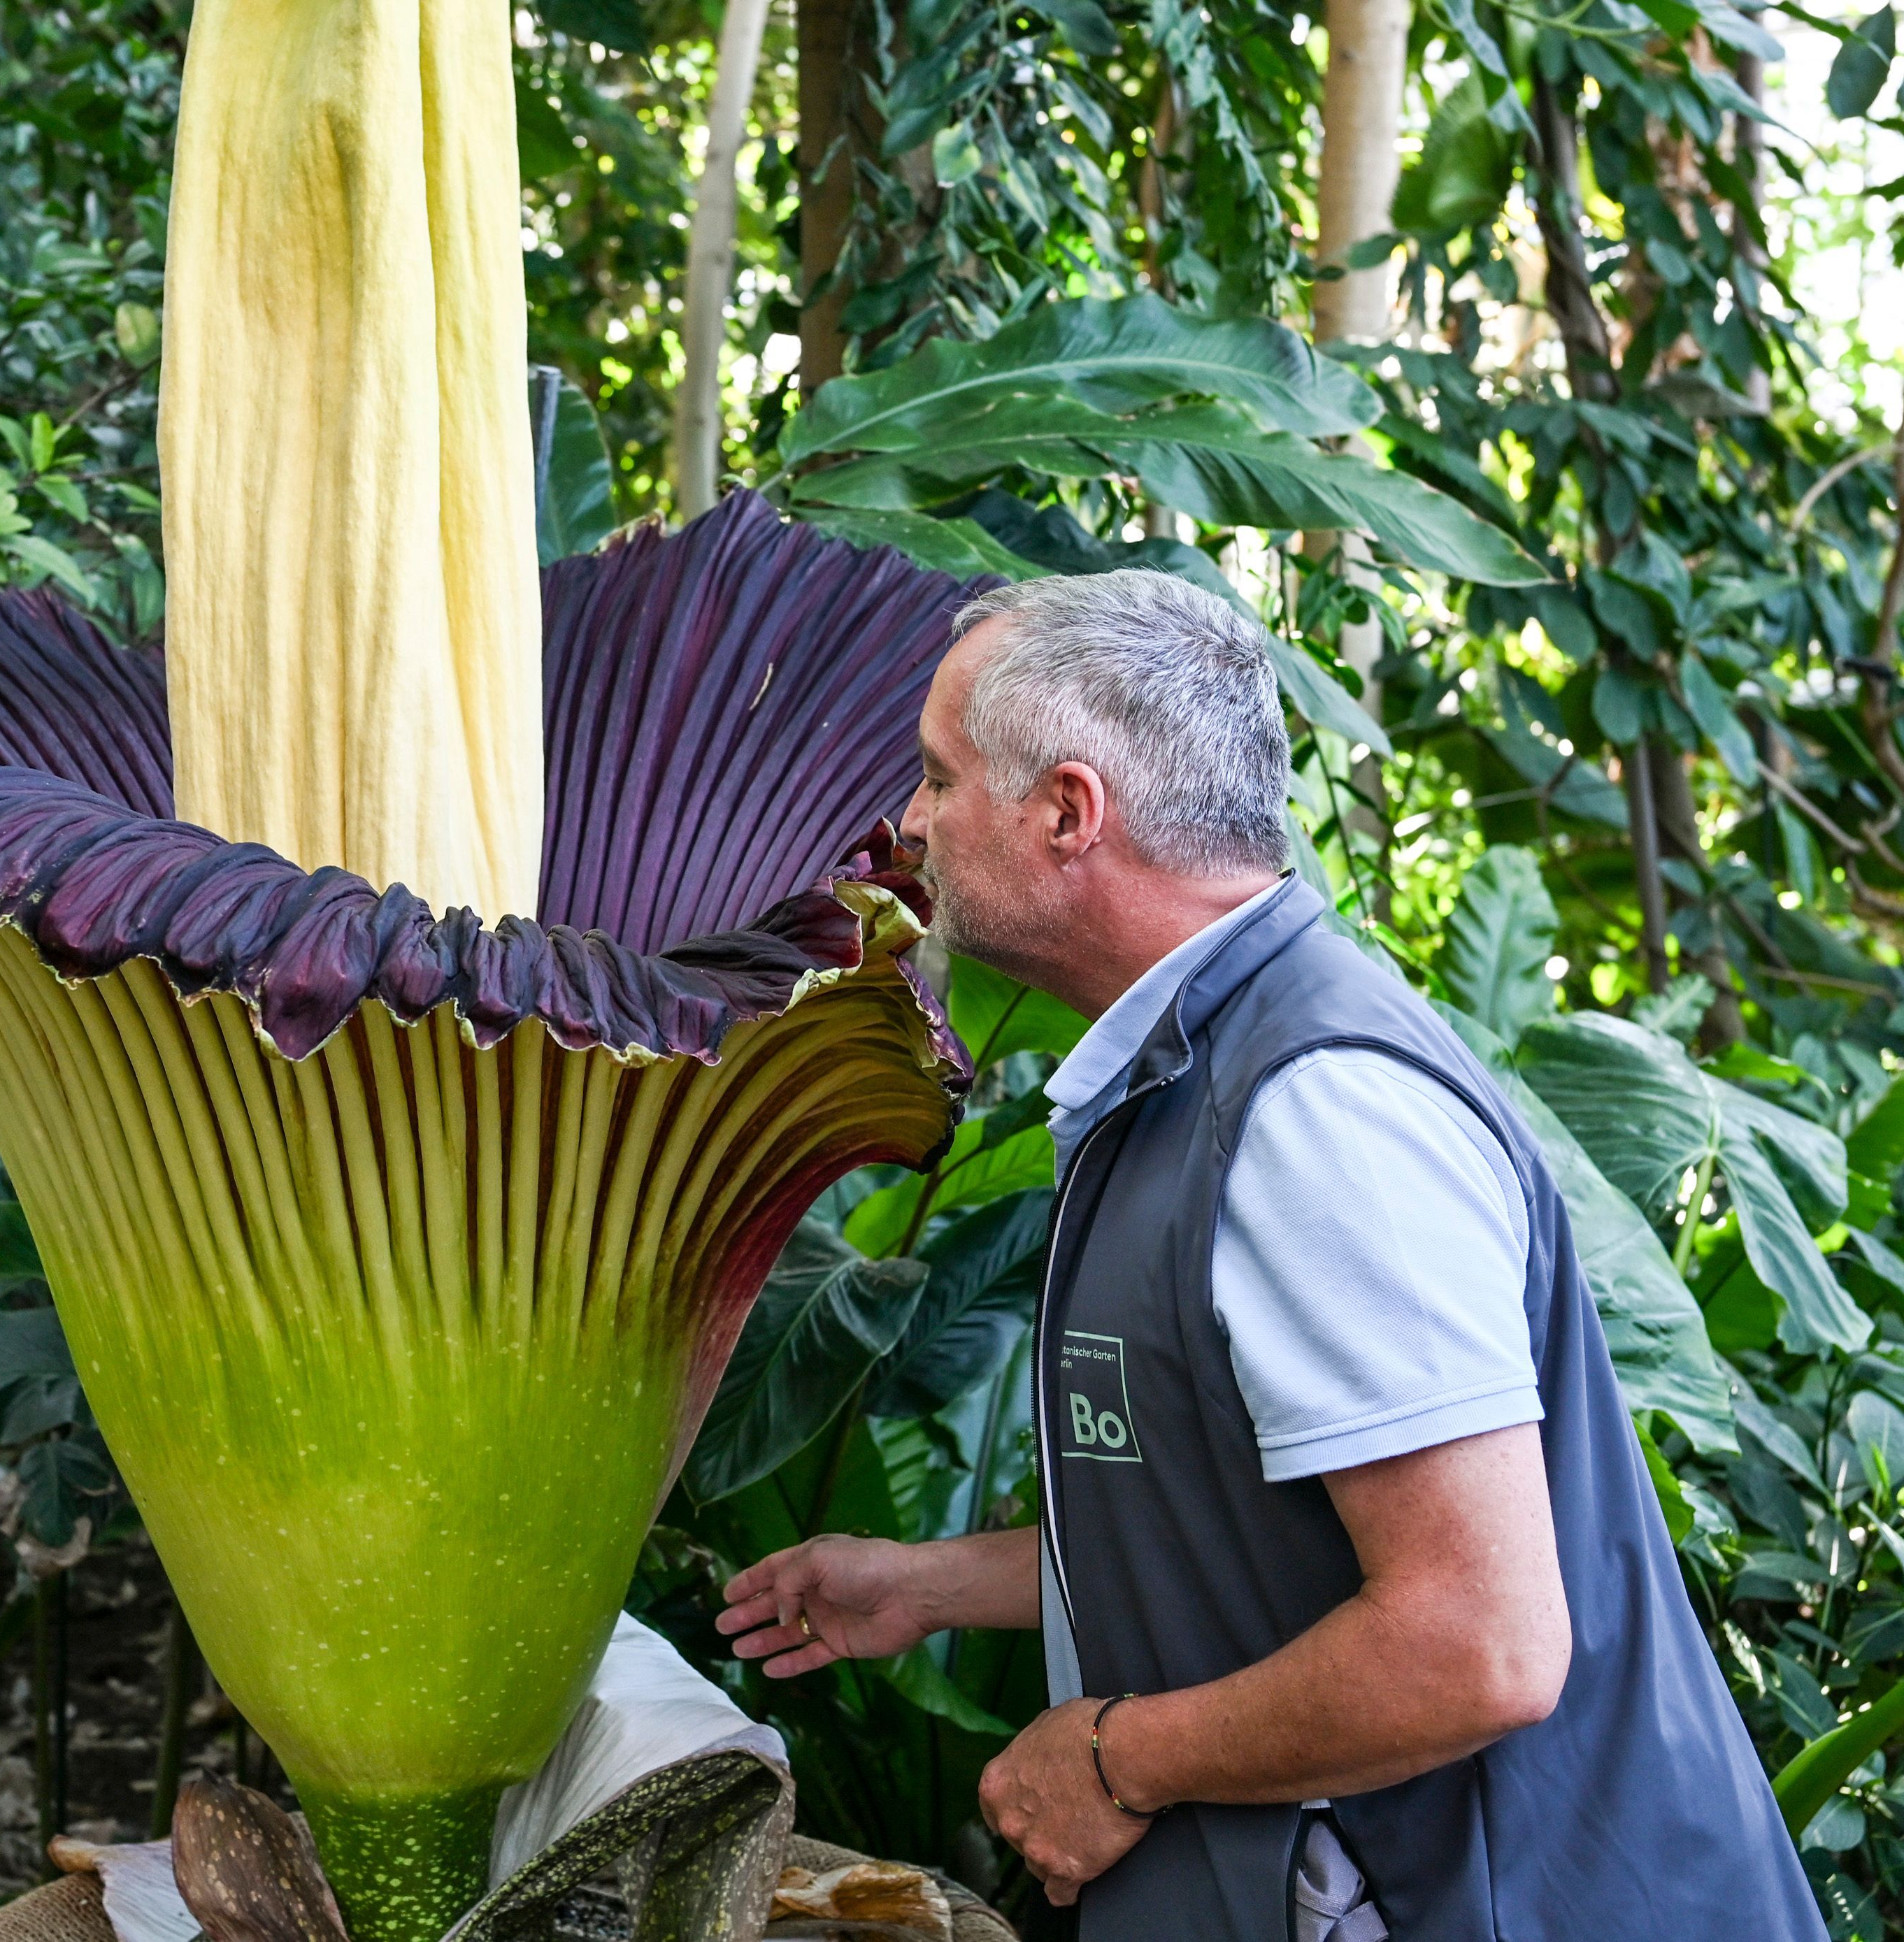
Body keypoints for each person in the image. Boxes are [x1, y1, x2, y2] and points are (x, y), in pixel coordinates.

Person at [715, 573, 1820, 1941]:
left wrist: (1113, 1757)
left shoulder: (1312, 1111)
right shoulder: (1192, 1070)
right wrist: (922, 1584)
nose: (909, 824)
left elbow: (1477, 1643)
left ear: (1066, 812)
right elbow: (1249, 1520)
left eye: (939, 778)